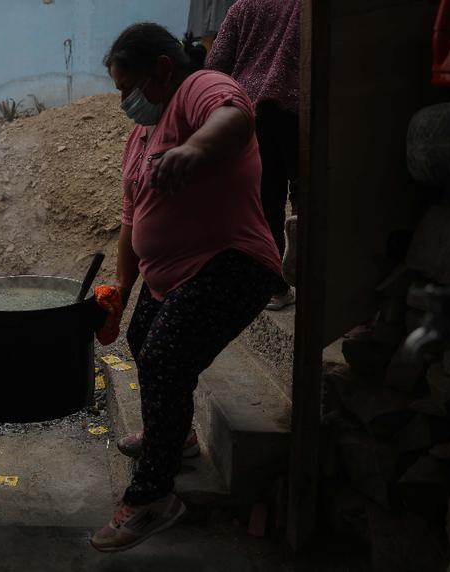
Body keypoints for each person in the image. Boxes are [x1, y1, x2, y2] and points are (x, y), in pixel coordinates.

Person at [92, 23, 283, 552]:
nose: (125, 102)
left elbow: (235, 116)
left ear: (162, 68)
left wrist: (193, 151)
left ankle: (153, 496)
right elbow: (132, 218)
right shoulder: (140, 135)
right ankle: (176, 441)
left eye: (128, 88)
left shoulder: (199, 88)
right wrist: (123, 288)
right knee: (140, 341)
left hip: (233, 263)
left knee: (165, 357)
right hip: (170, 274)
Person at [206, 0, 300, 309]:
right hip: (300, 109)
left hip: (250, 112)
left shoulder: (244, 6)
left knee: (265, 201)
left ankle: (276, 287)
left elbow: (214, 66)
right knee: (307, 195)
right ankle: (310, 271)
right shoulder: (308, 7)